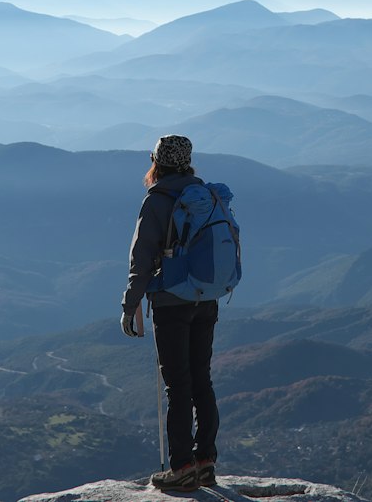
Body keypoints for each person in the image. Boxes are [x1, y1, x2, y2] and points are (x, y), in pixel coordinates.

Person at [122, 133, 220, 492]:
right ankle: (206, 460)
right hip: (205, 299)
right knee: (201, 380)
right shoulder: (205, 196)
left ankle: (180, 467)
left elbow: (141, 259)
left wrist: (130, 305)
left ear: (156, 162)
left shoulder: (157, 200)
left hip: (170, 304)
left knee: (178, 387)